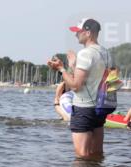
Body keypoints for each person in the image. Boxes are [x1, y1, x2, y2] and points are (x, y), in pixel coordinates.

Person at [46, 18, 117, 159]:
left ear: (88, 33)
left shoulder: (85, 53)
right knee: (97, 154)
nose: (76, 34)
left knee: (82, 157)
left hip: (83, 109)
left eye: (79, 31)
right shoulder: (106, 53)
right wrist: (73, 65)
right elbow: (93, 79)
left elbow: (75, 86)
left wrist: (61, 69)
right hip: (100, 108)